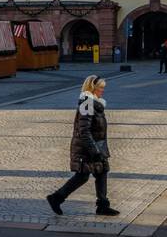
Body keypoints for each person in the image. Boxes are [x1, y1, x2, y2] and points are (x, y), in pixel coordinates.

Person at [47, 75, 119, 217]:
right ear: (92, 88)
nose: (102, 91)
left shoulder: (95, 103)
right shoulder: (87, 103)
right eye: (100, 88)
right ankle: (56, 198)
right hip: (86, 147)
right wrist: (94, 150)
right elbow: (84, 131)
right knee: (82, 176)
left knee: (102, 171)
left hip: (97, 145)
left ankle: (103, 205)